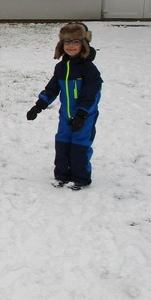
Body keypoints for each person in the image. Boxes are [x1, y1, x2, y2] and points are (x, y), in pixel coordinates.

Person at [26, 22, 102, 190]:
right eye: (67, 42)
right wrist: (38, 106)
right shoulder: (61, 67)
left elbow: (92, 95)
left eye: (75, 42)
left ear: (84, 44)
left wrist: (82, 114)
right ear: (61, 45)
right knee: (62, 144)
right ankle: (62, 175)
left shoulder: (89, 69)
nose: (71, 46)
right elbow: (52, 89)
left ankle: (80, 178)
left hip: (84, 117)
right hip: (66, 116)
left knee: (79, 146)